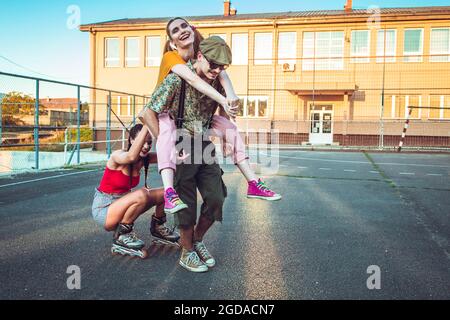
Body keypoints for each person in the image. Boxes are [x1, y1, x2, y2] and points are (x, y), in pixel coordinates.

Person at [140, 17, 281, 216]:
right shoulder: (173, 62)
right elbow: (191, 80)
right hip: (168, 115)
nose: (216, 71)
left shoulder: (208, 60)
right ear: (173, 42)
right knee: (168, 134)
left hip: (199, 120)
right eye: (175, 30)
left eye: (184, 26)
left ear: (192, 29)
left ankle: (253, 183)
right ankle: (169, 193)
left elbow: (220, 73)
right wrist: (224, 100)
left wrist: (228, 117)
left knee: (230, 128)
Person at [144, 36, 239, 272]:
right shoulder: (177, 79)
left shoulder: (218, 82)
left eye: (222, 67)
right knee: (185, 203)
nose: (217, 70)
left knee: (216, 197)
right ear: (199, 57)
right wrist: (168, 143)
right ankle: (186, 252)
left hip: (204, 144)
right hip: (181, 146)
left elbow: (222, 109)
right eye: (213, 64)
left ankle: (196, 240)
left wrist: (227, 138)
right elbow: (147, 113)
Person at [91, 124, 179, 258]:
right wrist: (147, 122)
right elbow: (131, 157)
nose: (146, 146)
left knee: (168, 191)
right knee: (143, 194)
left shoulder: (145, 159)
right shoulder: (118, 156)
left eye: (149, 142)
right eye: (142, 141)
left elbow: (169, 156)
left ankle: (158, 226)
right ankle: (122, 235)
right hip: (105, 209)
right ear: (132, 140)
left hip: (123, 205)